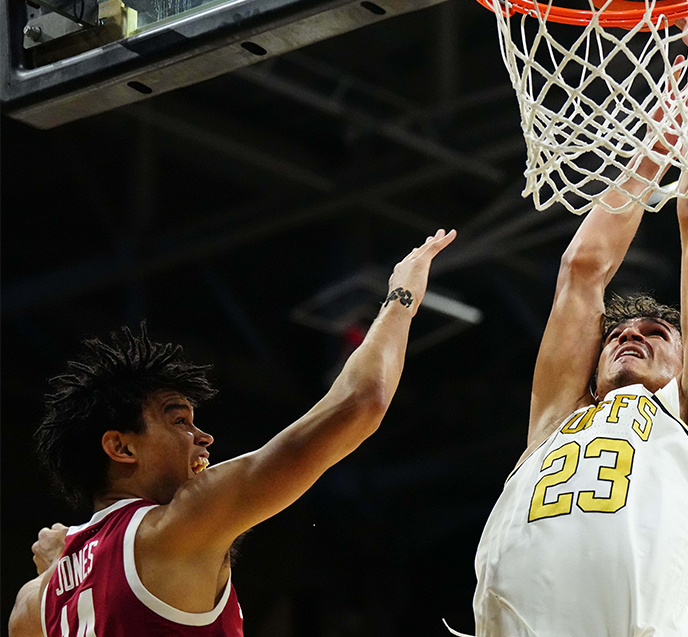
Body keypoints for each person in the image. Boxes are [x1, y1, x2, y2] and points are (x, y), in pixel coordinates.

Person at [467, 0, 688, 636]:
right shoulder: (557, 418)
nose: (633, 334)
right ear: (590, 368)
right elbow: (582, 270)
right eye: (620, 333)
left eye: (657, 333)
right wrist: (654, 149)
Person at [8, 229, 457, 637]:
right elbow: (360, 403)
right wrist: (402, 297)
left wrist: (51, 574)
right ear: (121, 446)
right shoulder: (177, 526)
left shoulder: (32, 607)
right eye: (179, 420)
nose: (203, 437)